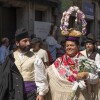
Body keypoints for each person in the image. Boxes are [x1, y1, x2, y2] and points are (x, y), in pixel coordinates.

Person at [45, 29, 99, 100]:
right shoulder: (59, 61)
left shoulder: (85, 61)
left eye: (72, 45)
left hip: (80, 96)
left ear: (78, 46)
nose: (69, 47)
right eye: (67, 46)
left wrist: (86, 75)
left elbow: (95, 78)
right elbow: (49, 74)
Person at [0, 28, 49, 100]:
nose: (28, 43)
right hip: (14, 95)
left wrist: (41, 93)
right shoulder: (10, 58)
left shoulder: (36, 58)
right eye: (25, 41)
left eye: (29, 40)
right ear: (17, 43)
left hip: (30, 95)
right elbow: (4, 78)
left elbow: (41, 77)